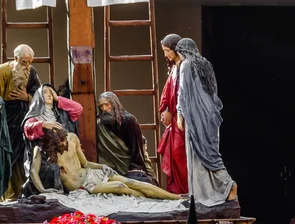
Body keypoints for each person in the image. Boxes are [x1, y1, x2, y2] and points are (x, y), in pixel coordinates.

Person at [30, 128, 182, 200]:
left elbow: (86, 163)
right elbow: (33, 172)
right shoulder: (42, 151)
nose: (65, 144)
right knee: (120, 187)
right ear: (52, 144)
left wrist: (102, 166)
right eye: (60, 144)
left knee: (131, 182)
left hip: (92, 174)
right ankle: (152, 199)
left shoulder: (72, 138)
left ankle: (174, 197)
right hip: (84, 186)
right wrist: (43, 189)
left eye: (64, 140)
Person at [174, 37, 237, 206]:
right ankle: (216, 190)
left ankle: (225, 186)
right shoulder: (206, 64)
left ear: (182, 51)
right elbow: (213, 90)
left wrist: (180, 114)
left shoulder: (186, 65)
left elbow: (183, 93)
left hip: (196, 115)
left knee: (199, 154)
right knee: (209, 151)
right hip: (210, 114)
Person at [0, 44, 41, 200]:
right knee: (7, 155)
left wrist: (27, 98)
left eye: (30, 61)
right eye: (24, 61)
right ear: (16, 57)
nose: (27, 65)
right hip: (6, 117)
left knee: (24, 156)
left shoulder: (31, 71)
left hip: (24, 115)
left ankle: (21, 191)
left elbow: (39, 93)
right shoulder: (2, 71)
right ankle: (6, 193)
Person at [22, 84, 83, 195]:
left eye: (51, 92)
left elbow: (78, 108)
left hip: (64, 151)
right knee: (52, 168)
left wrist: (58, 98)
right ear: (38, 97)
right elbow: (27, 128)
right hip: (46, 155)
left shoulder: (60, 113)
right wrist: (43, 124)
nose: (49, 94)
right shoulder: (35, 116)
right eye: (45, 92)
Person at [97, 91, 157, 184]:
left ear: (114, 104)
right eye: (101, 106)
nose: (104, 109)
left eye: (107, 104)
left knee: (143, 182)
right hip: (112, 166)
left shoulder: (129, 120)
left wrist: (136, 167)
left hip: (132, 164)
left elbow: (136, 148)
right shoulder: (100, 124)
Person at [158, 34, 188, 195]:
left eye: (168, 50)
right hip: (174, 120)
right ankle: (177, 191)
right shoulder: (175, 67)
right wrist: (165, 108)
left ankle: (185, 191)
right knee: (174, 155)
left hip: (182, 121)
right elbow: (167, 91)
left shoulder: (185, 67)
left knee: (180, 155)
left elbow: (182, 94)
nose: (165, 54)